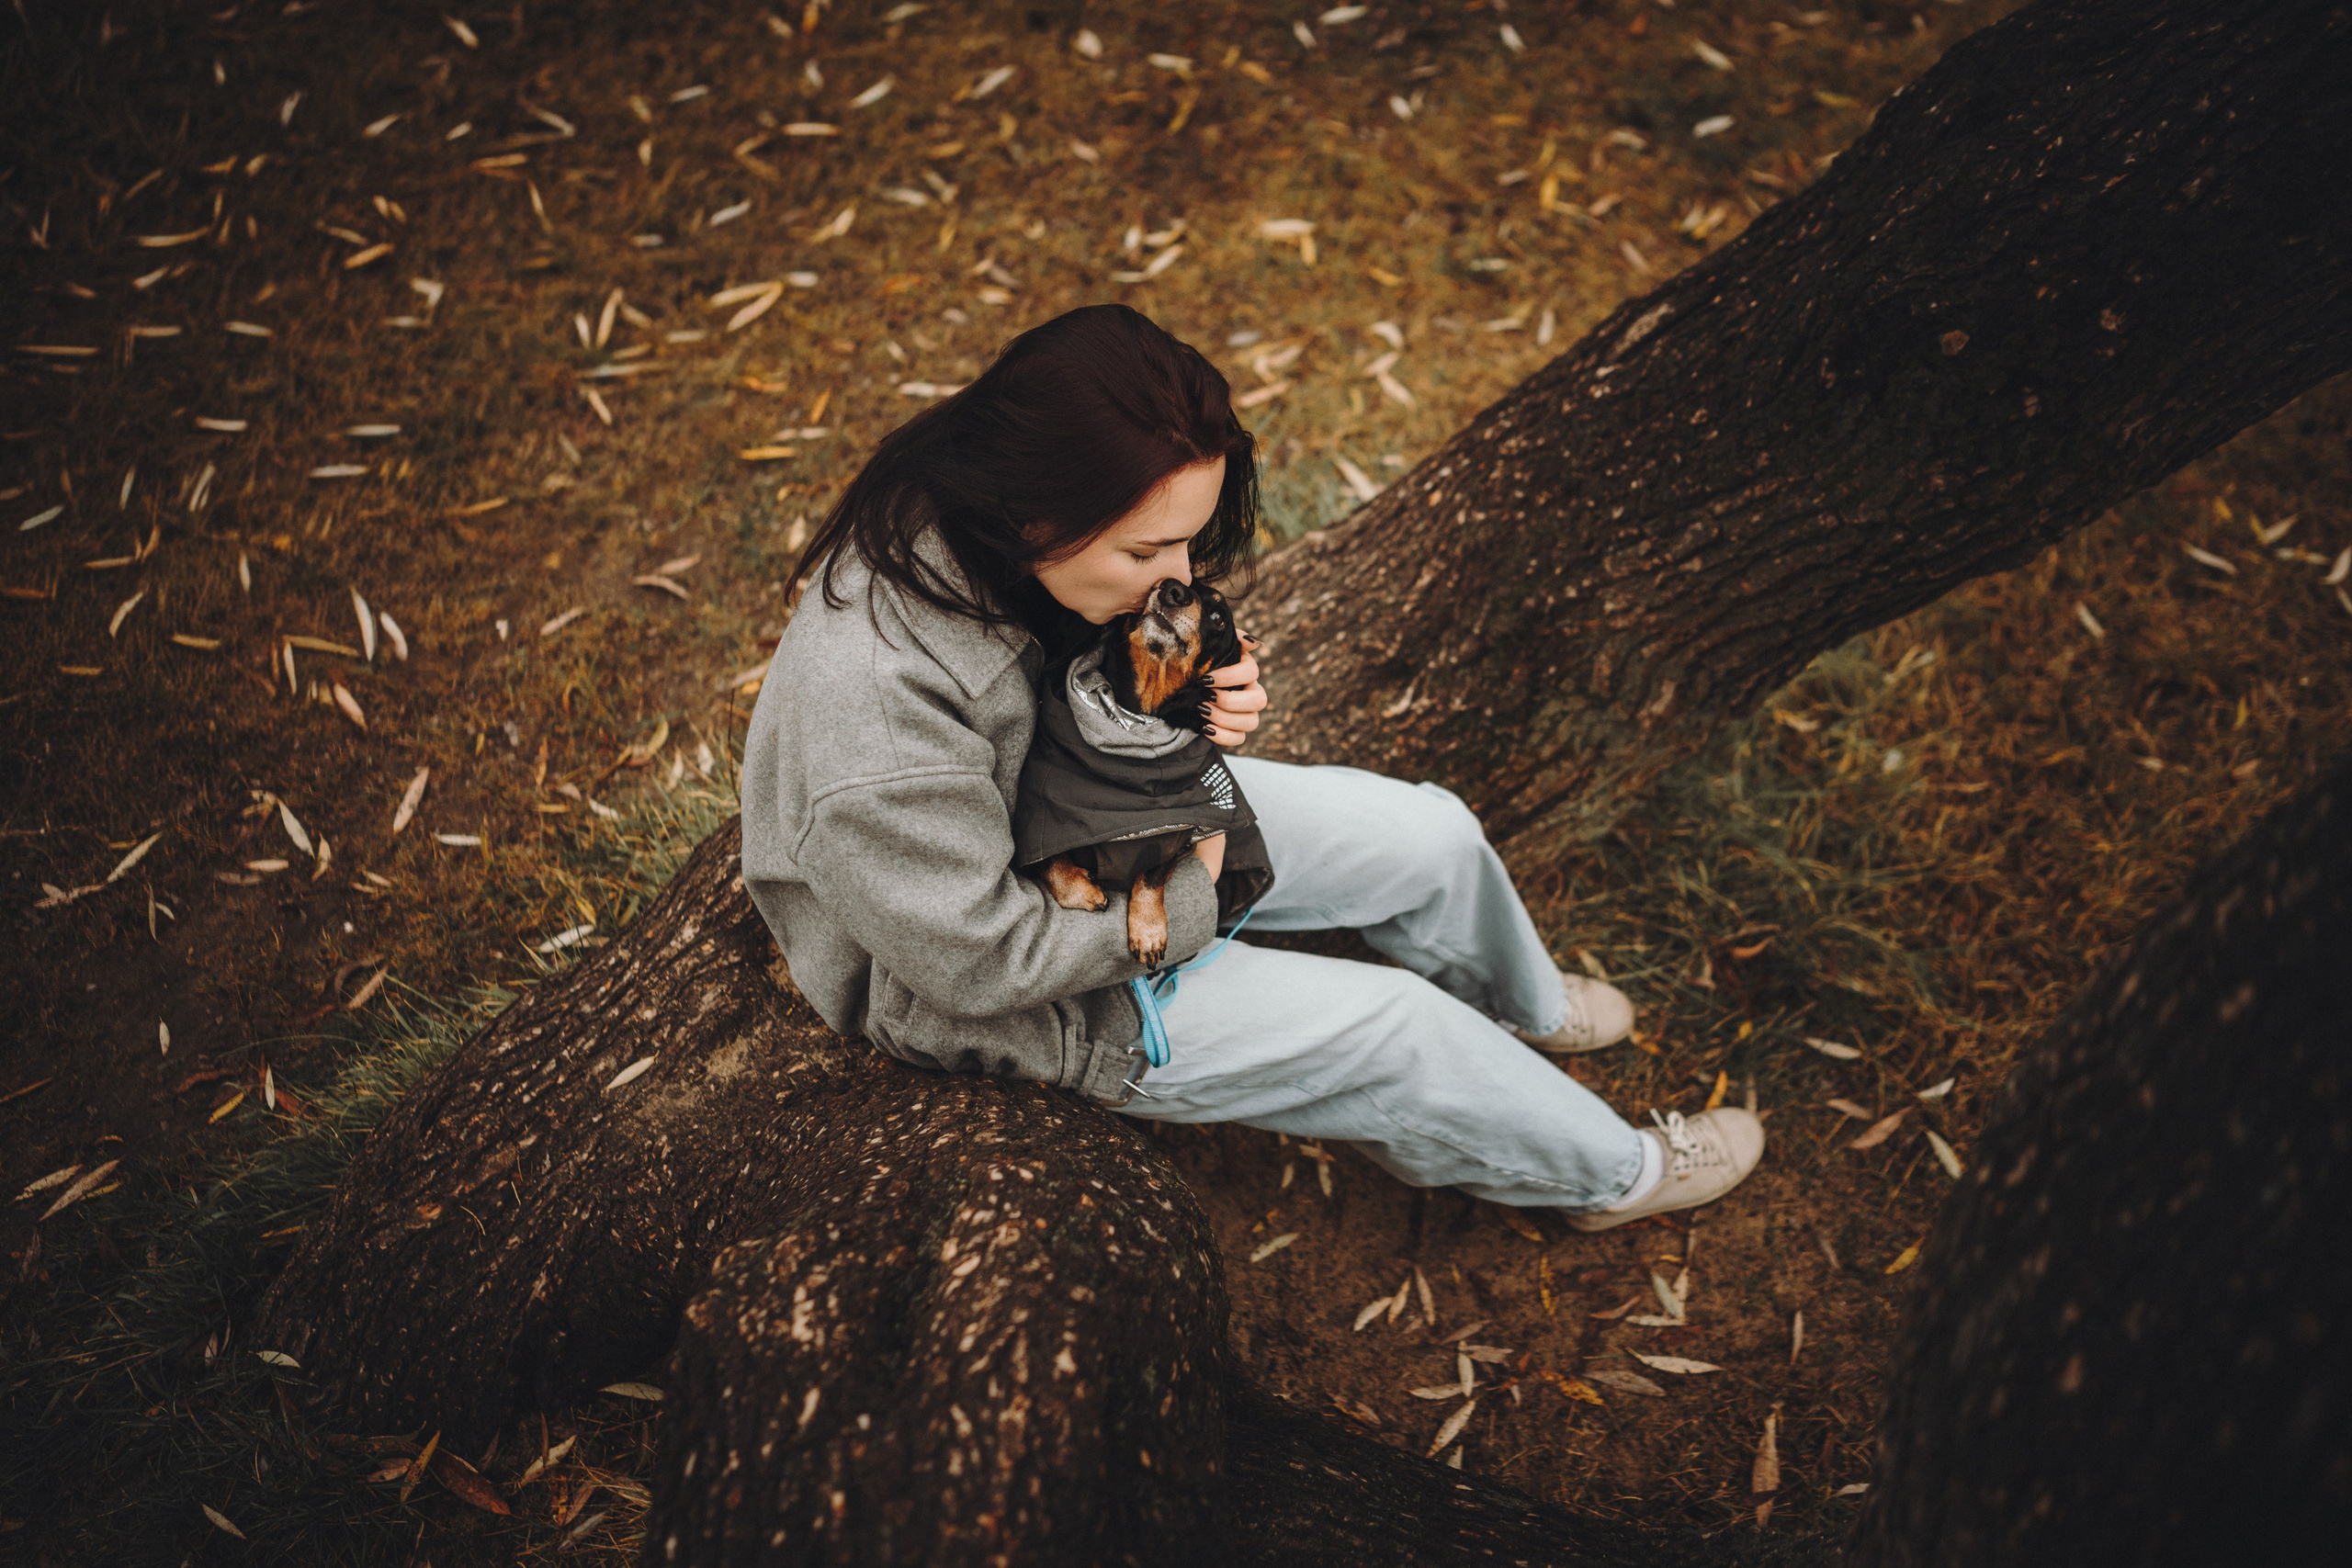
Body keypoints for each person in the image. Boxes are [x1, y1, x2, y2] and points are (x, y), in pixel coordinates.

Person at [740, 304, 1763, 1230]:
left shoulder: (997, 511)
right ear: (1035, 515)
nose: (1176, 578)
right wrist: (1192, 882)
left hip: (1088, 802)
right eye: (1150, 554)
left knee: (1430, 833)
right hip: (1016, 981)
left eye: (1188, 544)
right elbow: (974, 963)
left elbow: (1071, 667)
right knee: (1397, 1032)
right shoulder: (869, 723)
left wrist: (1188, 686)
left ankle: (1518, 1003)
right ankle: (1609, 1176)